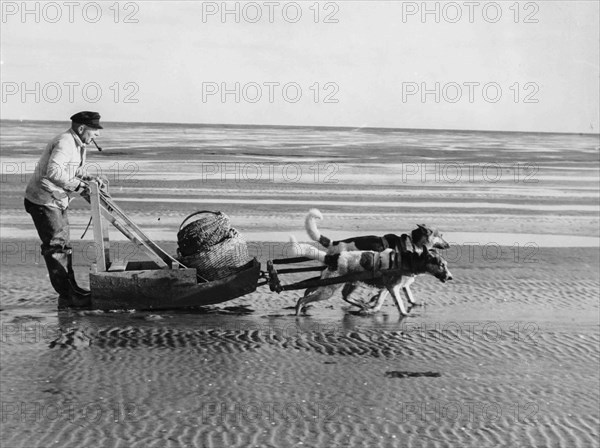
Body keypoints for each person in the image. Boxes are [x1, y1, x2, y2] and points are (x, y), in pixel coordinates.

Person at [24, 111, 106, 309]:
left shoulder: (77, 144)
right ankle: (69, 297)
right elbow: (54, 172)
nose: (97, 135)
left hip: (56, 200)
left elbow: (72, 169)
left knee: (63, 246)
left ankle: (71, 292)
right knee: (57, 248)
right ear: (81, 128)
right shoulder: (65, 142)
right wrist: (78, 187)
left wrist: (89, 178)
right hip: (44, 201)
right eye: (94, 131)